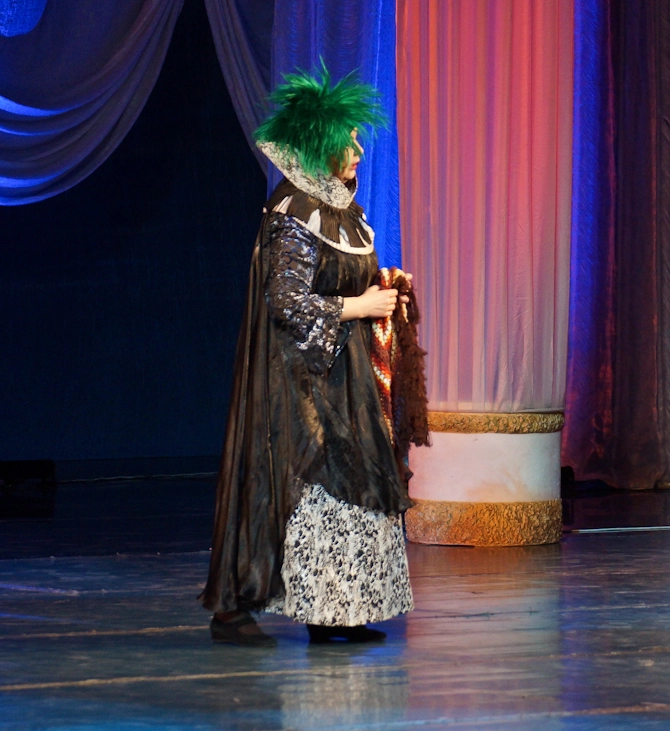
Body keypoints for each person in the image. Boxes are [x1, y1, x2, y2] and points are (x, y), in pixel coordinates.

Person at [199, 66, 424, 646]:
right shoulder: (293, 212)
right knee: (309, 483)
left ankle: (334, 613)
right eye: (347, 141)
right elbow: (287, 301)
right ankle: (236, 608)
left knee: (352, 480)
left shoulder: (345, 212)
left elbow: (343, 278)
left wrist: (385, 287)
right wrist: (359, 306)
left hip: (345, 374)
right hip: (301, 376)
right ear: (320, 146)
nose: (358, 151)